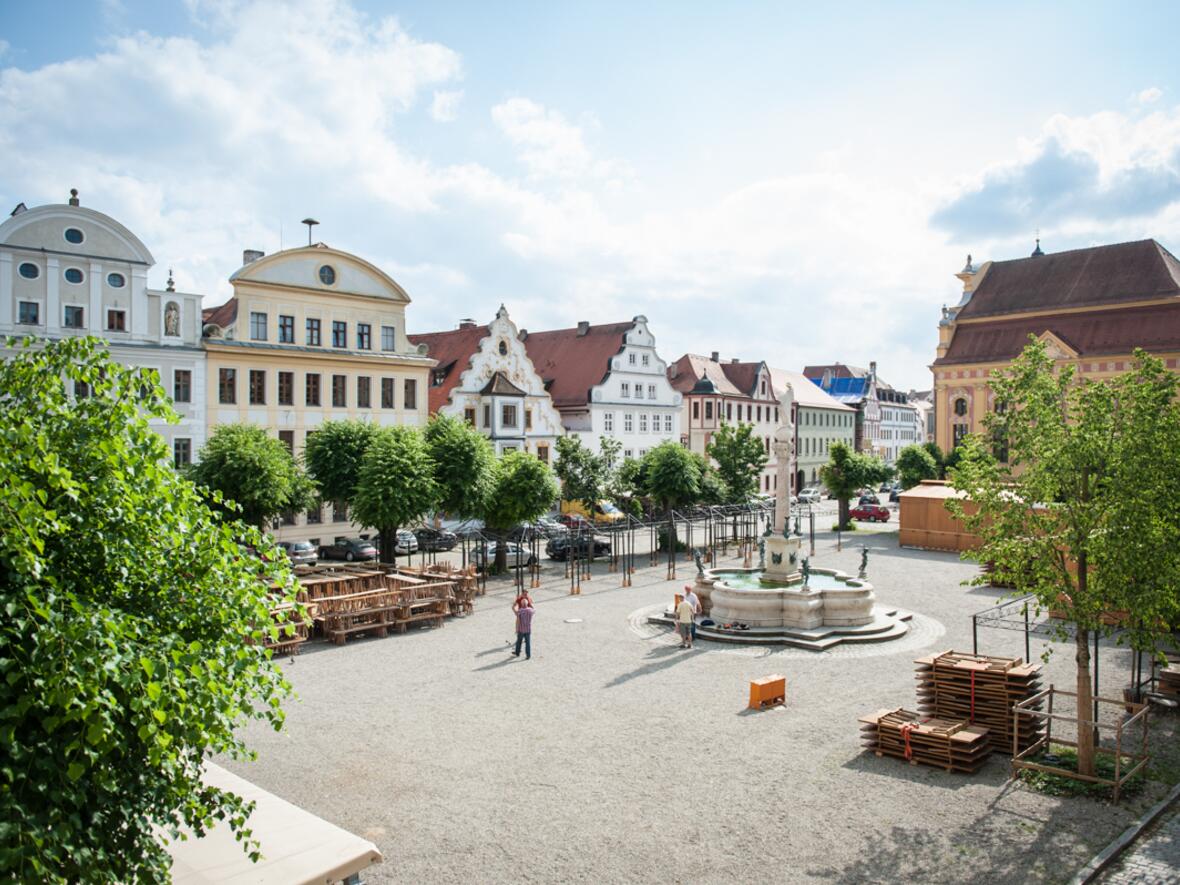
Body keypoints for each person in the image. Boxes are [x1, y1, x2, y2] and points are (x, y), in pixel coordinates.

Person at [512, 595, 535, 660]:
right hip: (528, 629)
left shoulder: (520, 611)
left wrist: (514, 606)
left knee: (519, 642)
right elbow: (534, 609)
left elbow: (515, 612)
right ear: (527, 604)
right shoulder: (530, 610)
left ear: (521, 604)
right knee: (528, 643)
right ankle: (528, 655)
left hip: (521, 629)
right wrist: (531, 603)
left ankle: (517, 653)